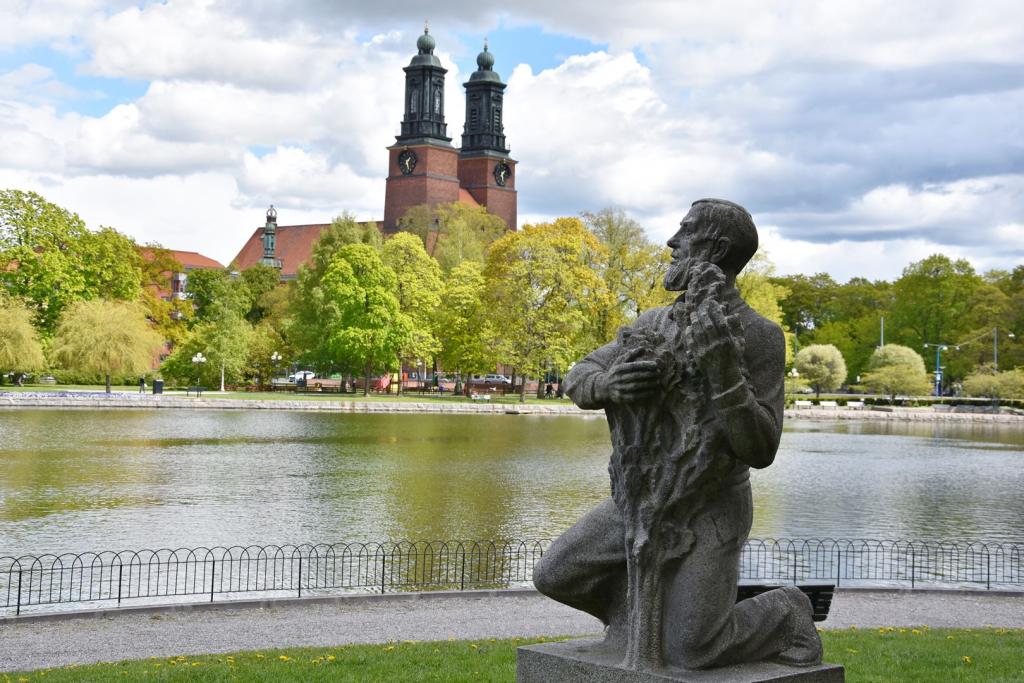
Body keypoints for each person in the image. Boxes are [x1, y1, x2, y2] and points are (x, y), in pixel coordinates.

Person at [533, 199, 821, 670]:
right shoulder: (653, 323)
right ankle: (636, 624)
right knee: (556, 573)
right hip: (641, 500)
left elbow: (762, 448)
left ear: (715, 246)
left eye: (684, 232)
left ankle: (786, 614)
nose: (672, 242)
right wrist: (607, 385)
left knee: (692, 651)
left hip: (711, 506)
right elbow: (580, 373)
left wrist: (724, 372)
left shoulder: (758, 334)